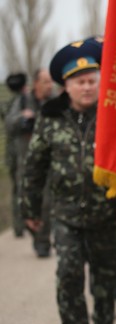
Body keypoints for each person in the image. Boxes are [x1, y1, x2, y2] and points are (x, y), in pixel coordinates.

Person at [19, 38, 116, 324]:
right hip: (66, 214)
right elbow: (34, 166)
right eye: (79, 82)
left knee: (105, 278)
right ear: (66, 86)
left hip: (106, 213)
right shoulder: (50, 117)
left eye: (92, 81)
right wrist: (29, 210)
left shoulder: (112, 116)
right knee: (69, 275)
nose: (87, 87)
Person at [5, 69, 54, 257]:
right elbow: (9, 124)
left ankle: (45, 239)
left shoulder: (55, 101)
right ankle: (36, 235)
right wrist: (22, 117)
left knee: (49, 201)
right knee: (30, 199)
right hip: (28, 160)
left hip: (52, 159)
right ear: (36, 84)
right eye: (45, 82)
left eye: (51, 82)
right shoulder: (23, 101)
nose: (49, 86)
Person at [3, 72, 28, 238]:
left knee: (16, 190)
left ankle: (19, 226)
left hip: (11, 152)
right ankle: (23, 224)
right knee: (22, 189)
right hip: (20, 151)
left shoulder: (6, 103)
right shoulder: (23, 102)